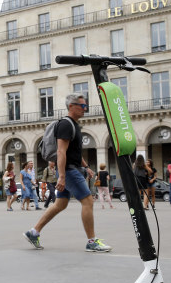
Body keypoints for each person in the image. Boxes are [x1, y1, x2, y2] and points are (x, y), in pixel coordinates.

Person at [23, 93, 112, 252]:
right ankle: (91, 241)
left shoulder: (75, 125)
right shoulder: (66, 124)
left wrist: (86, 167)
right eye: (83, 106)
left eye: (86, 106)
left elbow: (75, 152)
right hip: (69, 171)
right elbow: (61, 152)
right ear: (72, 106)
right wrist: (62, 176)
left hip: (73, 168)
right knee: (88, 201)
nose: (86, 109)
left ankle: (33, 232)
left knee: (60, 204)